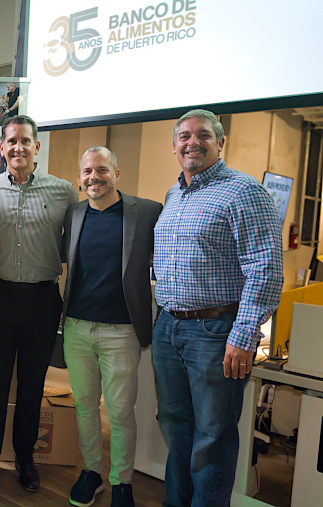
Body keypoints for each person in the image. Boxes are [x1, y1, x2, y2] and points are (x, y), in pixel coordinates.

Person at [152, 109, 283, 506]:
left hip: (215, 333)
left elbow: (266, 269)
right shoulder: (173, 194)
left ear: (220, 142)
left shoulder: (244, 191)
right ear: (175, 146)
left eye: (203, 135)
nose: (193, 142)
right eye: (185, 136)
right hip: (169, 327)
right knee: (176, 430)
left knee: (213, 437)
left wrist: (243, 337)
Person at [0, 115, 79, 493]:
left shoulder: (63, 191)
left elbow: (79, 245)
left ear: (37, 146)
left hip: (43, 299)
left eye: (25, 141)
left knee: (32, 385)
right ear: (1, 147)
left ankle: (25, 458)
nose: (18, 148)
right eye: (11, 141)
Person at [63, 146, 162, 507]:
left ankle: (122, 481)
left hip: (122, 331)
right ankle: (92, 472)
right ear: (80, 177)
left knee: (120, 412)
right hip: (76, 327)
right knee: (85, 407)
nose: (94, 177)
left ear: (116, 173)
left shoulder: (148, 212)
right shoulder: (73, 214)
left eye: (101, 170)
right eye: (87, 171)